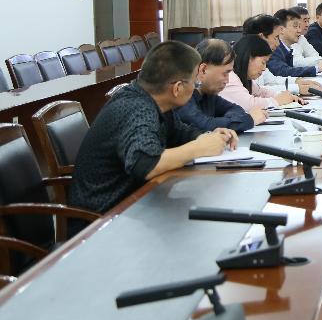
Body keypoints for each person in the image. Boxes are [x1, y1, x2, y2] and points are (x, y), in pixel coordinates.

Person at [70, 41, 238, 215]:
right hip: (103, 218)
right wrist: (198, 148)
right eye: (194, 82)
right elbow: (145, 164)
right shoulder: (137, 109)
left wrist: (208, 136)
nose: (196, 87)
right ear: (177, 88)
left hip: (135, 203)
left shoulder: (153, 100)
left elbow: (179, 132)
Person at [175, 39, 263, 133]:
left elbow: (236, 109)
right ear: (203, 70)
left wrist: (226, 122)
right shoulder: (183, 95)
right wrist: (249, 120)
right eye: (225, 73)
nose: (227, 80)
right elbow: (204, 126)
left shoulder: (208, 94)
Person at [244, 13, 321, 96]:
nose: (278, 43)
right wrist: (297, 88)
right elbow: (258, 91)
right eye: (276, 37)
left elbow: (272, 80)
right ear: (261, 37)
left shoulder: (258, 55)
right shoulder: (245, 60)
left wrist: (298, 81)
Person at [220, 35, 299, 110]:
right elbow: (249, 105)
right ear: (248, 57)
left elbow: (261, 92)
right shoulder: (229, 77)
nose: (264, 68)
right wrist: (276, 101)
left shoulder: (243, 77)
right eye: (263, 62)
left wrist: (284, 96)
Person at [268, 8, 322, 78]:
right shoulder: (274, 47)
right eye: (295, 27)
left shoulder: (287, 48)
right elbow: (282, 71)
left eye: (299, 27)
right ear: (281, 29)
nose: (299, 31)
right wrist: (316, 69)